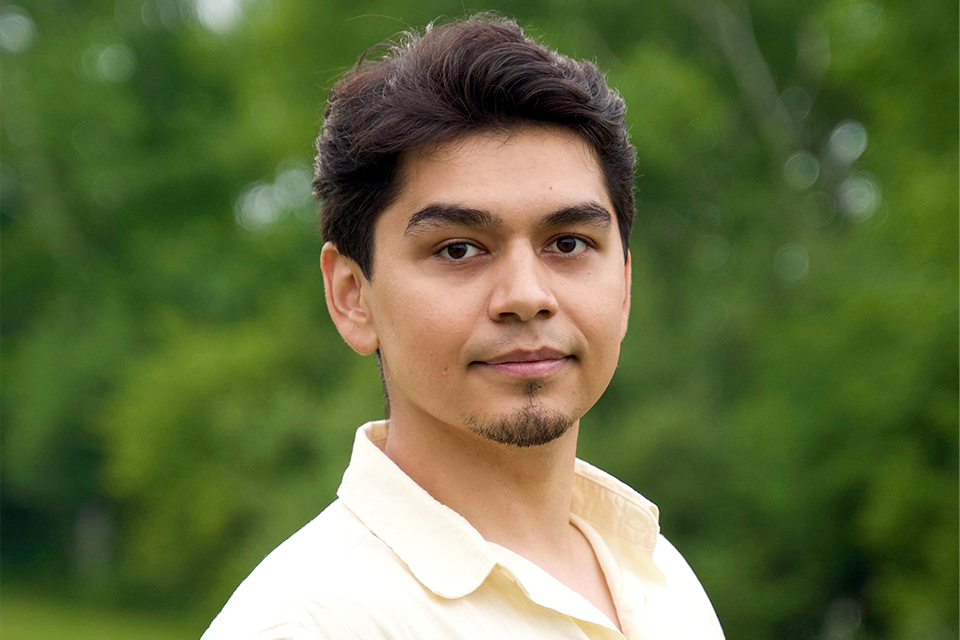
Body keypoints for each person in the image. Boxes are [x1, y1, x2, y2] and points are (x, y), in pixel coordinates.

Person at [202, 14, 724, 640]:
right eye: (458, 249)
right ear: (352, 296)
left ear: (625, 285)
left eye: (568, 242)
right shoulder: (309, 624)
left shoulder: (662, 580)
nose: (526, 297)